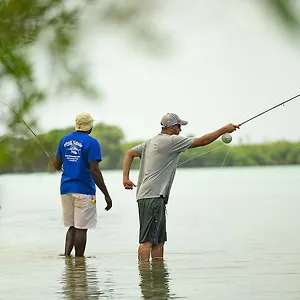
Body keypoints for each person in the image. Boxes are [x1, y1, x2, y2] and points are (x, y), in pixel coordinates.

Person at [122, 113, 239, 261]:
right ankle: (144, 277)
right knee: (147, 241)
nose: (180, 130)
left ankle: (158, 278)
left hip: (151, 196)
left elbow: (129, 153)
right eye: (179, 126)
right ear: (170, 127)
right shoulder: (171, 141)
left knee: (159, 241)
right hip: (153, 196)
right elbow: (203, 141)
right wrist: (224, 129)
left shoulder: (150, 142)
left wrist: (125, 178)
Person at [53, 113, 112, 257]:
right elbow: (95, 170)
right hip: (84, 190)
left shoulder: (64, 140)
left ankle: (67, 258)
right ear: (90, 126)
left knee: (72, 226)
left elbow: (56, 165)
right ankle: (79, 262)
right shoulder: (92, 143)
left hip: (66, 189)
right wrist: (106, 194)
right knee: (82, 228)